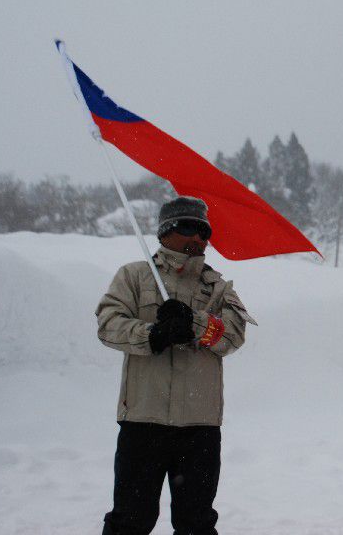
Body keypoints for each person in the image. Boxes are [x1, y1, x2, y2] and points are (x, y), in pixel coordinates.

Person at [97, 196, 255, 535]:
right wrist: (152, 334)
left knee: (196, 523)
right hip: (143, 421)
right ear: (166, 231)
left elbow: (234, 336)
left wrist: (196, 323)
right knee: (130, 520)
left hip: (199, 427)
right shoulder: (135, 277)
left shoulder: (218, 287)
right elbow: (108, 324)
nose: (197, 238)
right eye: (188, 228)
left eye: (203, 231)